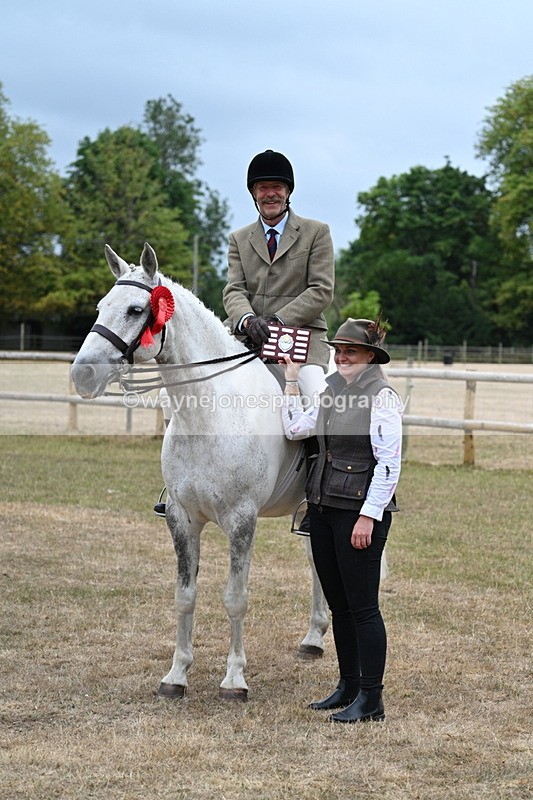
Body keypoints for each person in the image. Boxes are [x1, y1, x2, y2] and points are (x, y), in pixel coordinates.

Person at [281, 317, 402, 723]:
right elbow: (296, 429)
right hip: (322, 510)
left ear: (370, 356)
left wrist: (369, 516)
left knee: (363, 608)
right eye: (337, 350)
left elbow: (389, 463)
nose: (341, 357)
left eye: (350, 350)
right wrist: (292, 382)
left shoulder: (382, 396)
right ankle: (348, 686)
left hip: (358, 515)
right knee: (339, 606)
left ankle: (372, 699)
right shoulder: (330, 390)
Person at [222, 149, 335, 402]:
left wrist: (278, 321)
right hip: (248, 337)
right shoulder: (238, 239)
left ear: (288, 192)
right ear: (253, 193)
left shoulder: (316, 232)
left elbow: (321, 290)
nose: (270, 193)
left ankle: (325, 442)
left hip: (300, 339)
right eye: (263, 187)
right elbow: (234, 290)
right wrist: (249, 321)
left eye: (277, 186)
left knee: (318, 399)